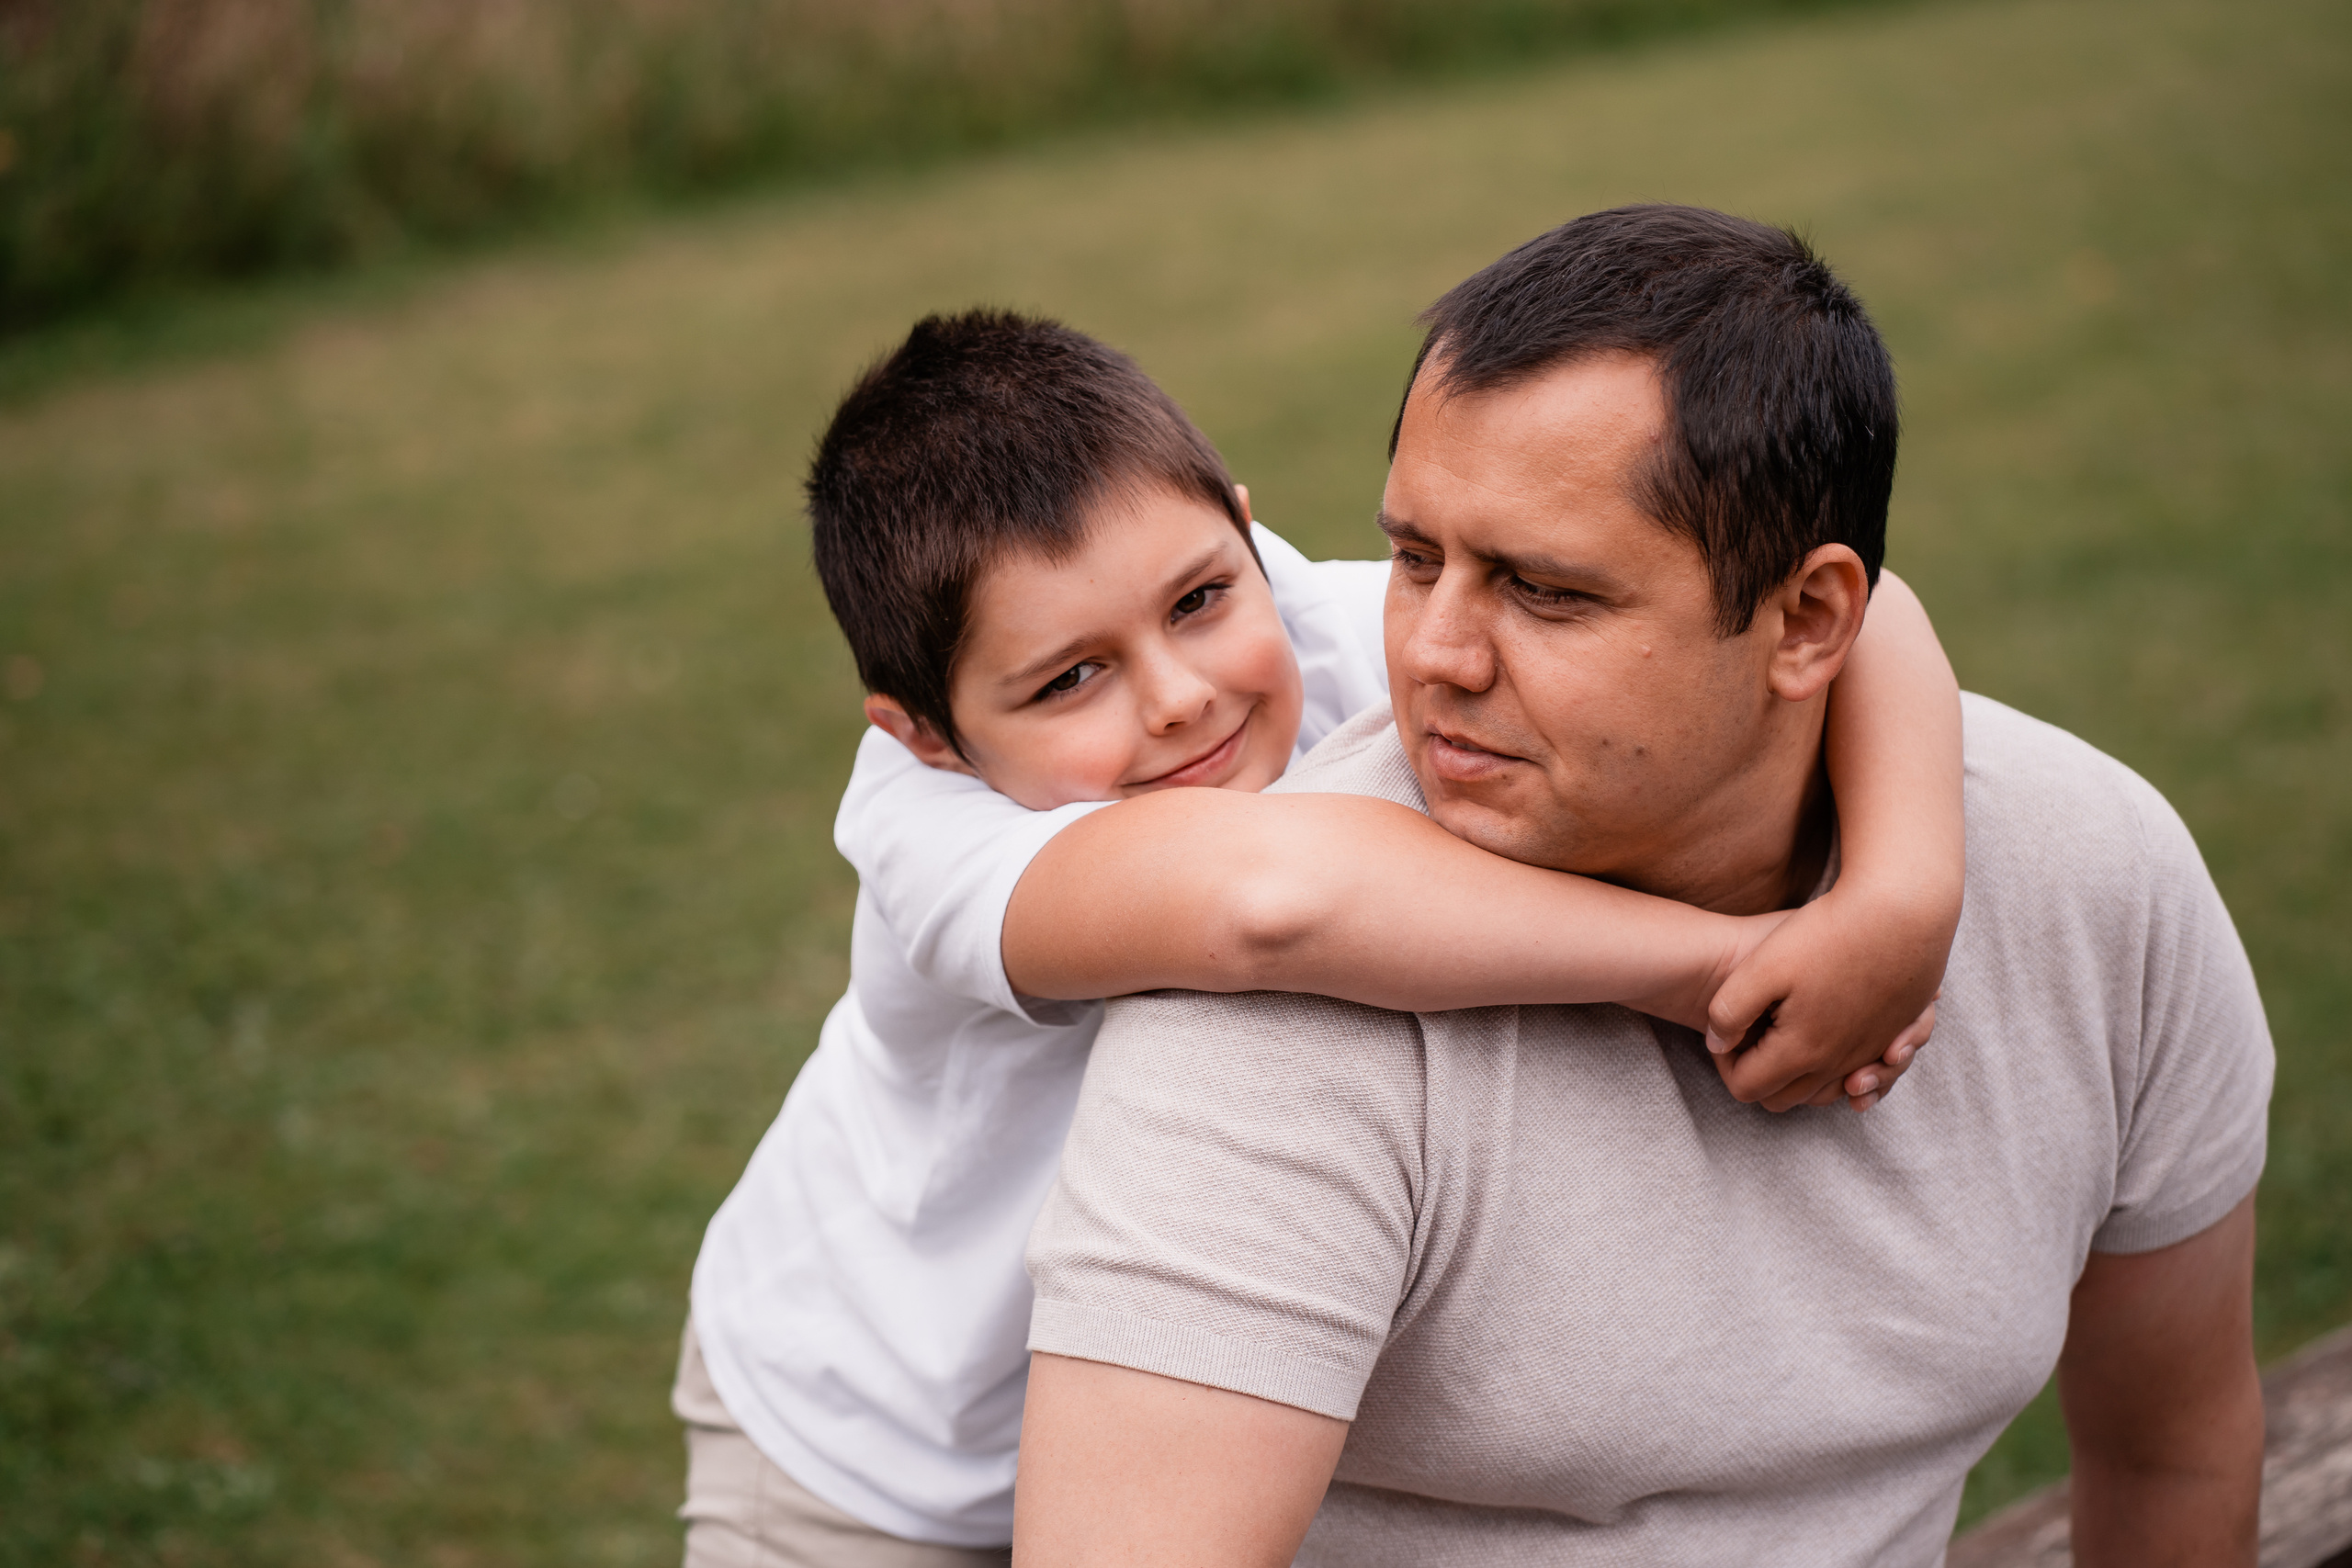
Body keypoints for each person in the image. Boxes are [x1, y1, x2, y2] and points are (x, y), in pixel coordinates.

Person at [1017, 207, 2275, 1567]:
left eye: (1545, 592)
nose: (1434, 655)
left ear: (1809, 621)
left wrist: (1903, 899)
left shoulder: (2092, 874)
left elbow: (2174, 1451)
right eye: (1416, 559)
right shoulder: (1270, 1030)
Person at [679, 310, 1965, 1564]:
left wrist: (1901, 904)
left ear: (1246, 532)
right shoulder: (925, 829)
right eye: (1070, 679)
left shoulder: (1319, 624)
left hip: (1166, 1416)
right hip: (869, 1454)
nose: (1181, 697)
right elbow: (1271, 902)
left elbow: (1867, 602)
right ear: (925, 732)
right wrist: (1719, 966)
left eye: (1198, 599)